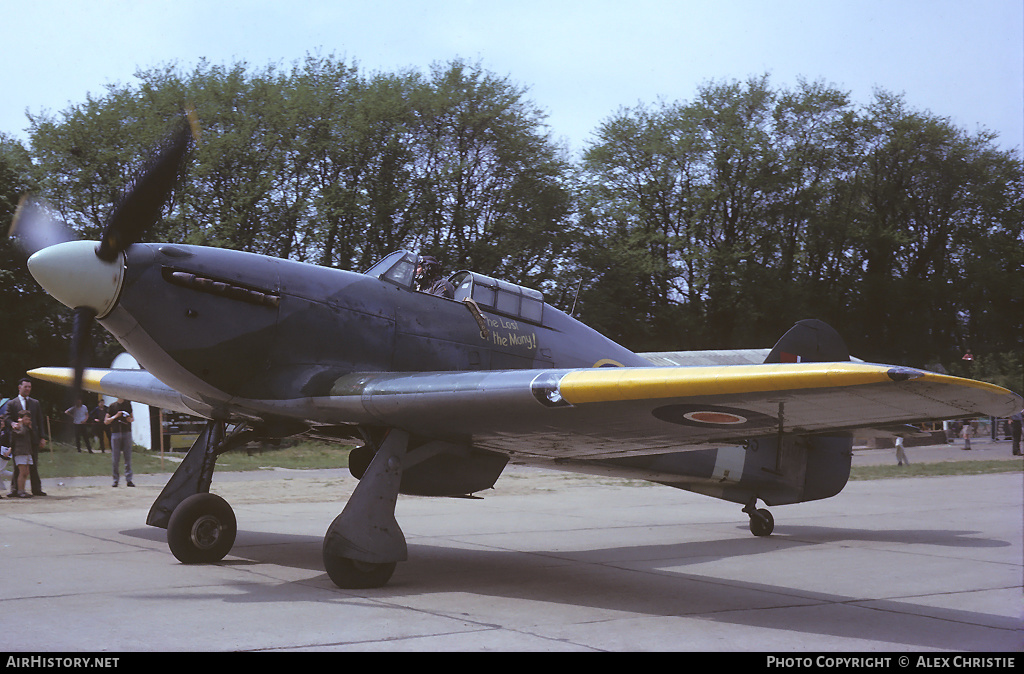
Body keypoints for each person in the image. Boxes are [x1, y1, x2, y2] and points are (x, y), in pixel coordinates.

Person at [4, 378, 47, 496]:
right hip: (19, 440)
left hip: (32, 439)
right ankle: (15, 489)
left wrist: (42, 437)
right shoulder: (12, 403)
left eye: (29, 387)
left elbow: (39, 420)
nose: (28, 389)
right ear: (19, 387)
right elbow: (6, 417)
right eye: (25, 387)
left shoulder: (35, 403)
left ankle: (36, 489)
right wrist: (12, 424)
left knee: (33, 465)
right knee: (18, 465)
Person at [105, 398, 135, 487]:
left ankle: (129, 480)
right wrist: (116, 416)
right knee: (115, 458)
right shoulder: (112, 406)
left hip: (126, 433)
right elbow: (106, 421)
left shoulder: (128, 405)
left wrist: (129, 419)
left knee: (127, 457)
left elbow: (132, 419)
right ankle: (115, 480)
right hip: (115, 433)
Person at [10, 410, 40, 498]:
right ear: (20, 419)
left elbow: (34, 438)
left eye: (29, 419)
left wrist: (30, 428)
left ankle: (23, 489)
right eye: (26, 419)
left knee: (26, 472)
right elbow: (21, 434)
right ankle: (20, 491)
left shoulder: (27, 428)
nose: (28, 421)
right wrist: (21, 424)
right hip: (20, 452)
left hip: (27, 452)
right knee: (22, 472)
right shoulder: (17, 427)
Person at [0, 415, 11, 498]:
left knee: (0, 471)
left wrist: (9, 451)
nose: (1, 423)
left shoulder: (7, 432)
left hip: (4, 453)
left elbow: (11, 443)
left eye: (3, 421)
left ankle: (15, 476)